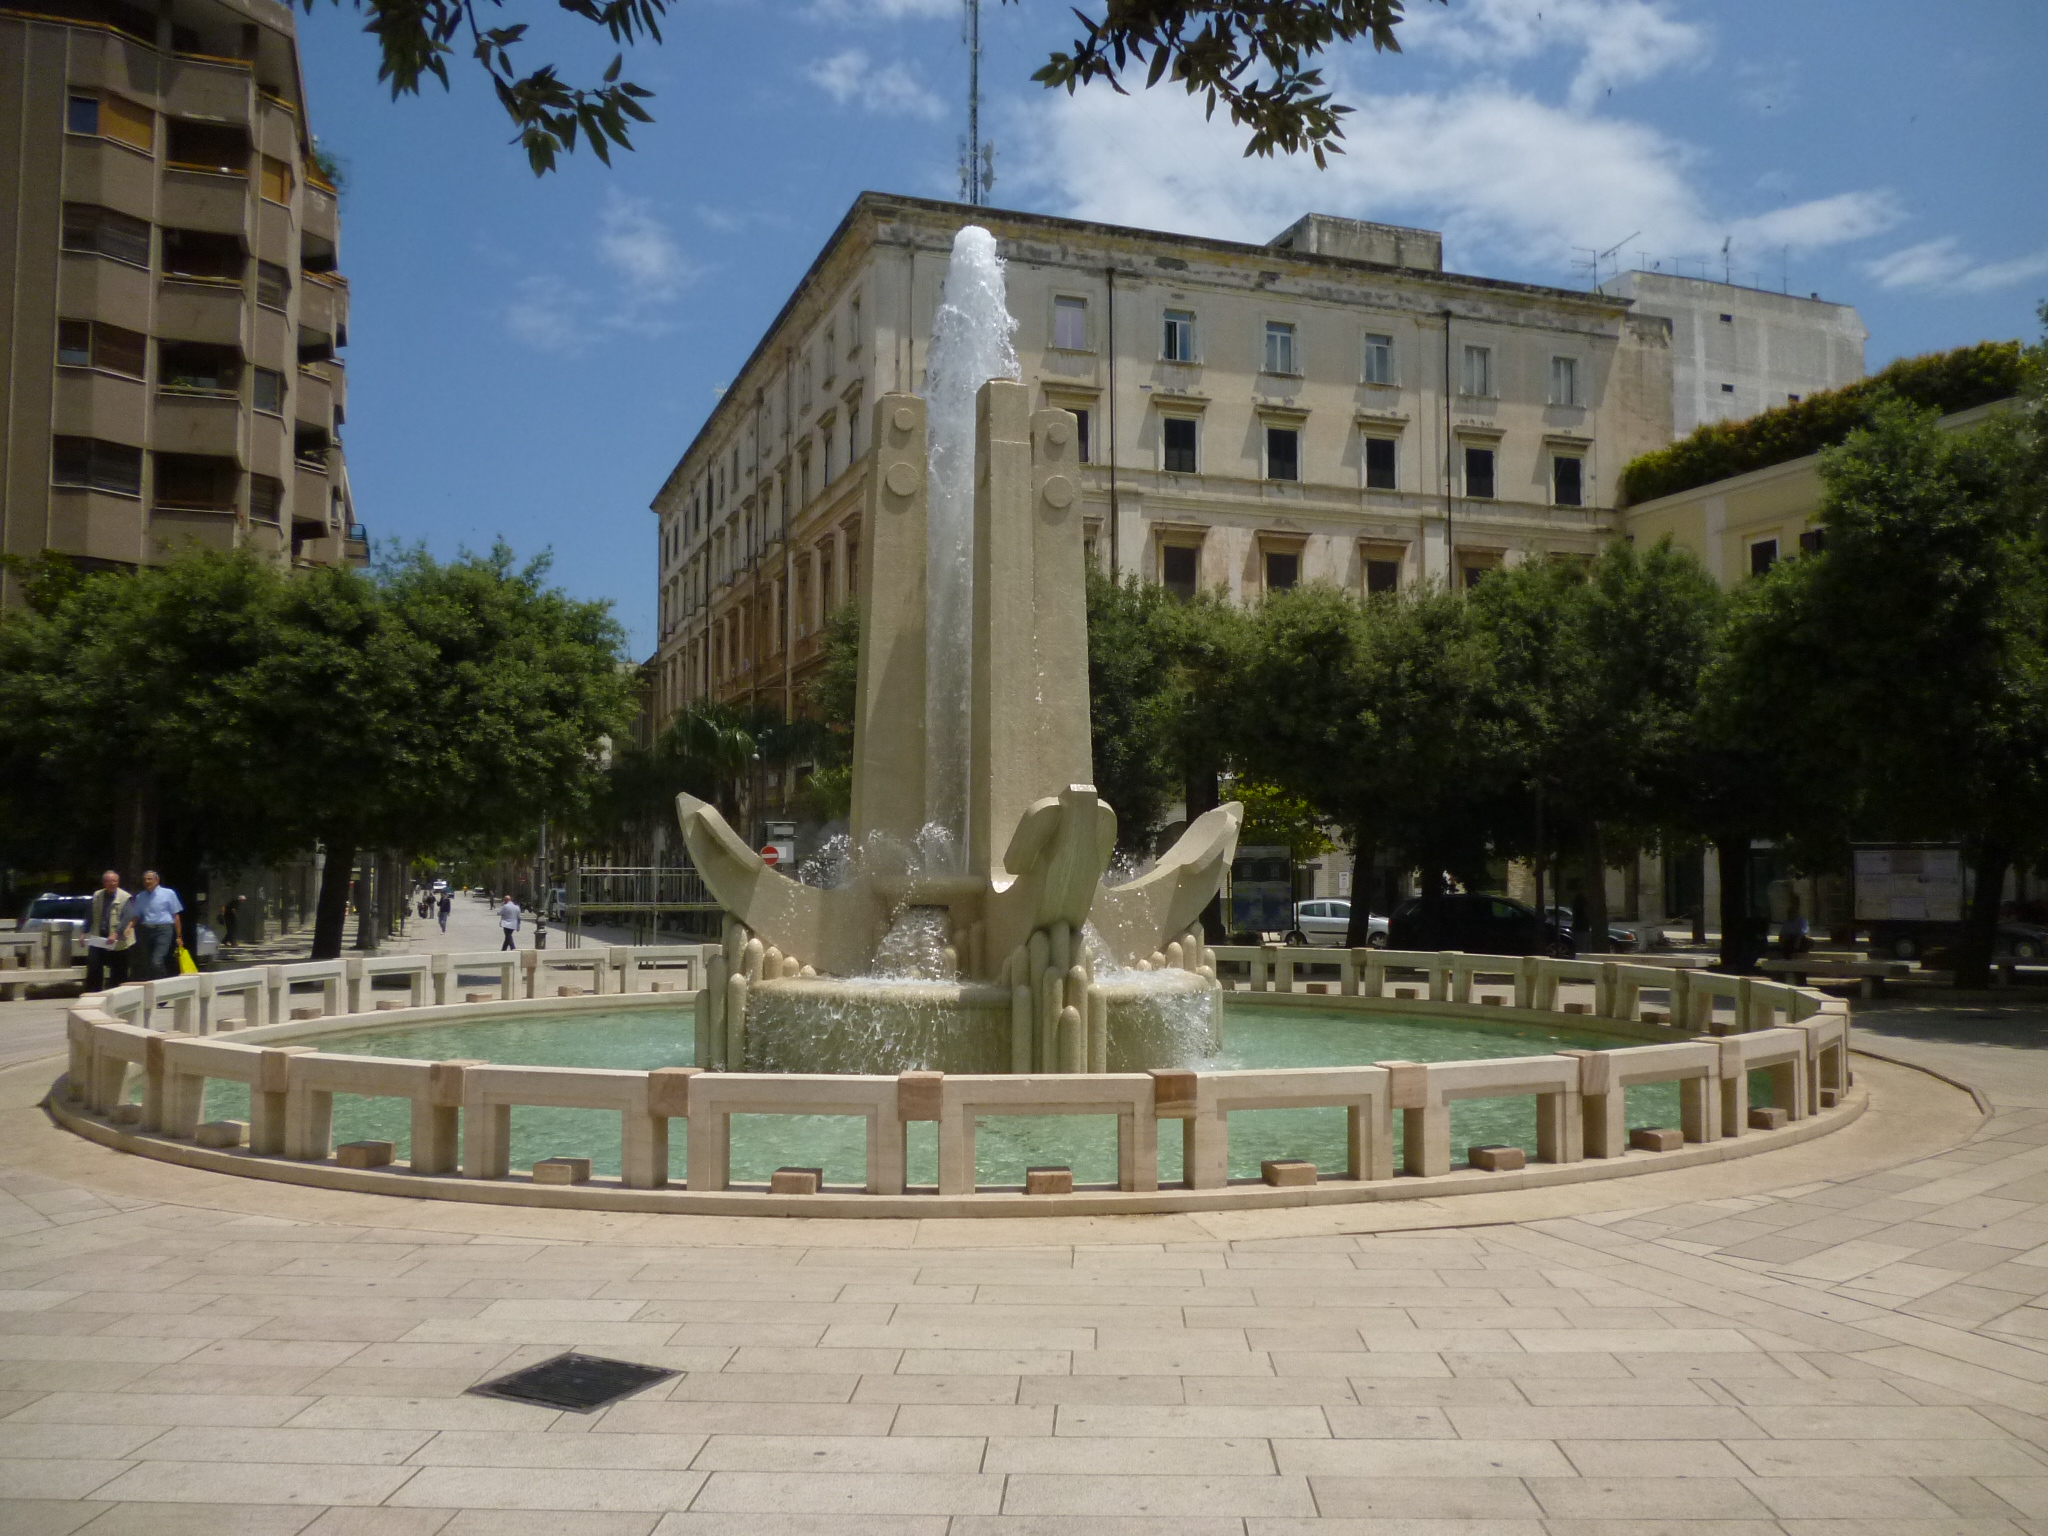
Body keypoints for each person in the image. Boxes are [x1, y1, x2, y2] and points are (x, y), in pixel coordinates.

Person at [122, 870, 184, 981]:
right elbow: (137, 915)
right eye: (145, 879)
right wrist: (129, 926)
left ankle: (162, 986)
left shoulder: (168, 893)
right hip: (146, 930)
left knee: (157, 961)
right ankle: (153, 986)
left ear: (157, 880)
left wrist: (179, 936)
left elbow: (176, 915)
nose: (147, 881)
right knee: (147, 962)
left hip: (164, 929)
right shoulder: (141, 896)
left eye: (149, 879)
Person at [84, 869, 132, 992]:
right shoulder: (97, 895)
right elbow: (90, 914)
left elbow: (127, 917)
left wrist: (116, 933)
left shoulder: (125, 897)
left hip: (118, 938)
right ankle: (93, 994)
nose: (112, 884)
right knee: (94, 967)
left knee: (118, 970)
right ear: (104, 883)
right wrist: (84, 931)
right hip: (98, 936)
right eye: (109, 881)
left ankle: (117, 994)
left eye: (115, 881)